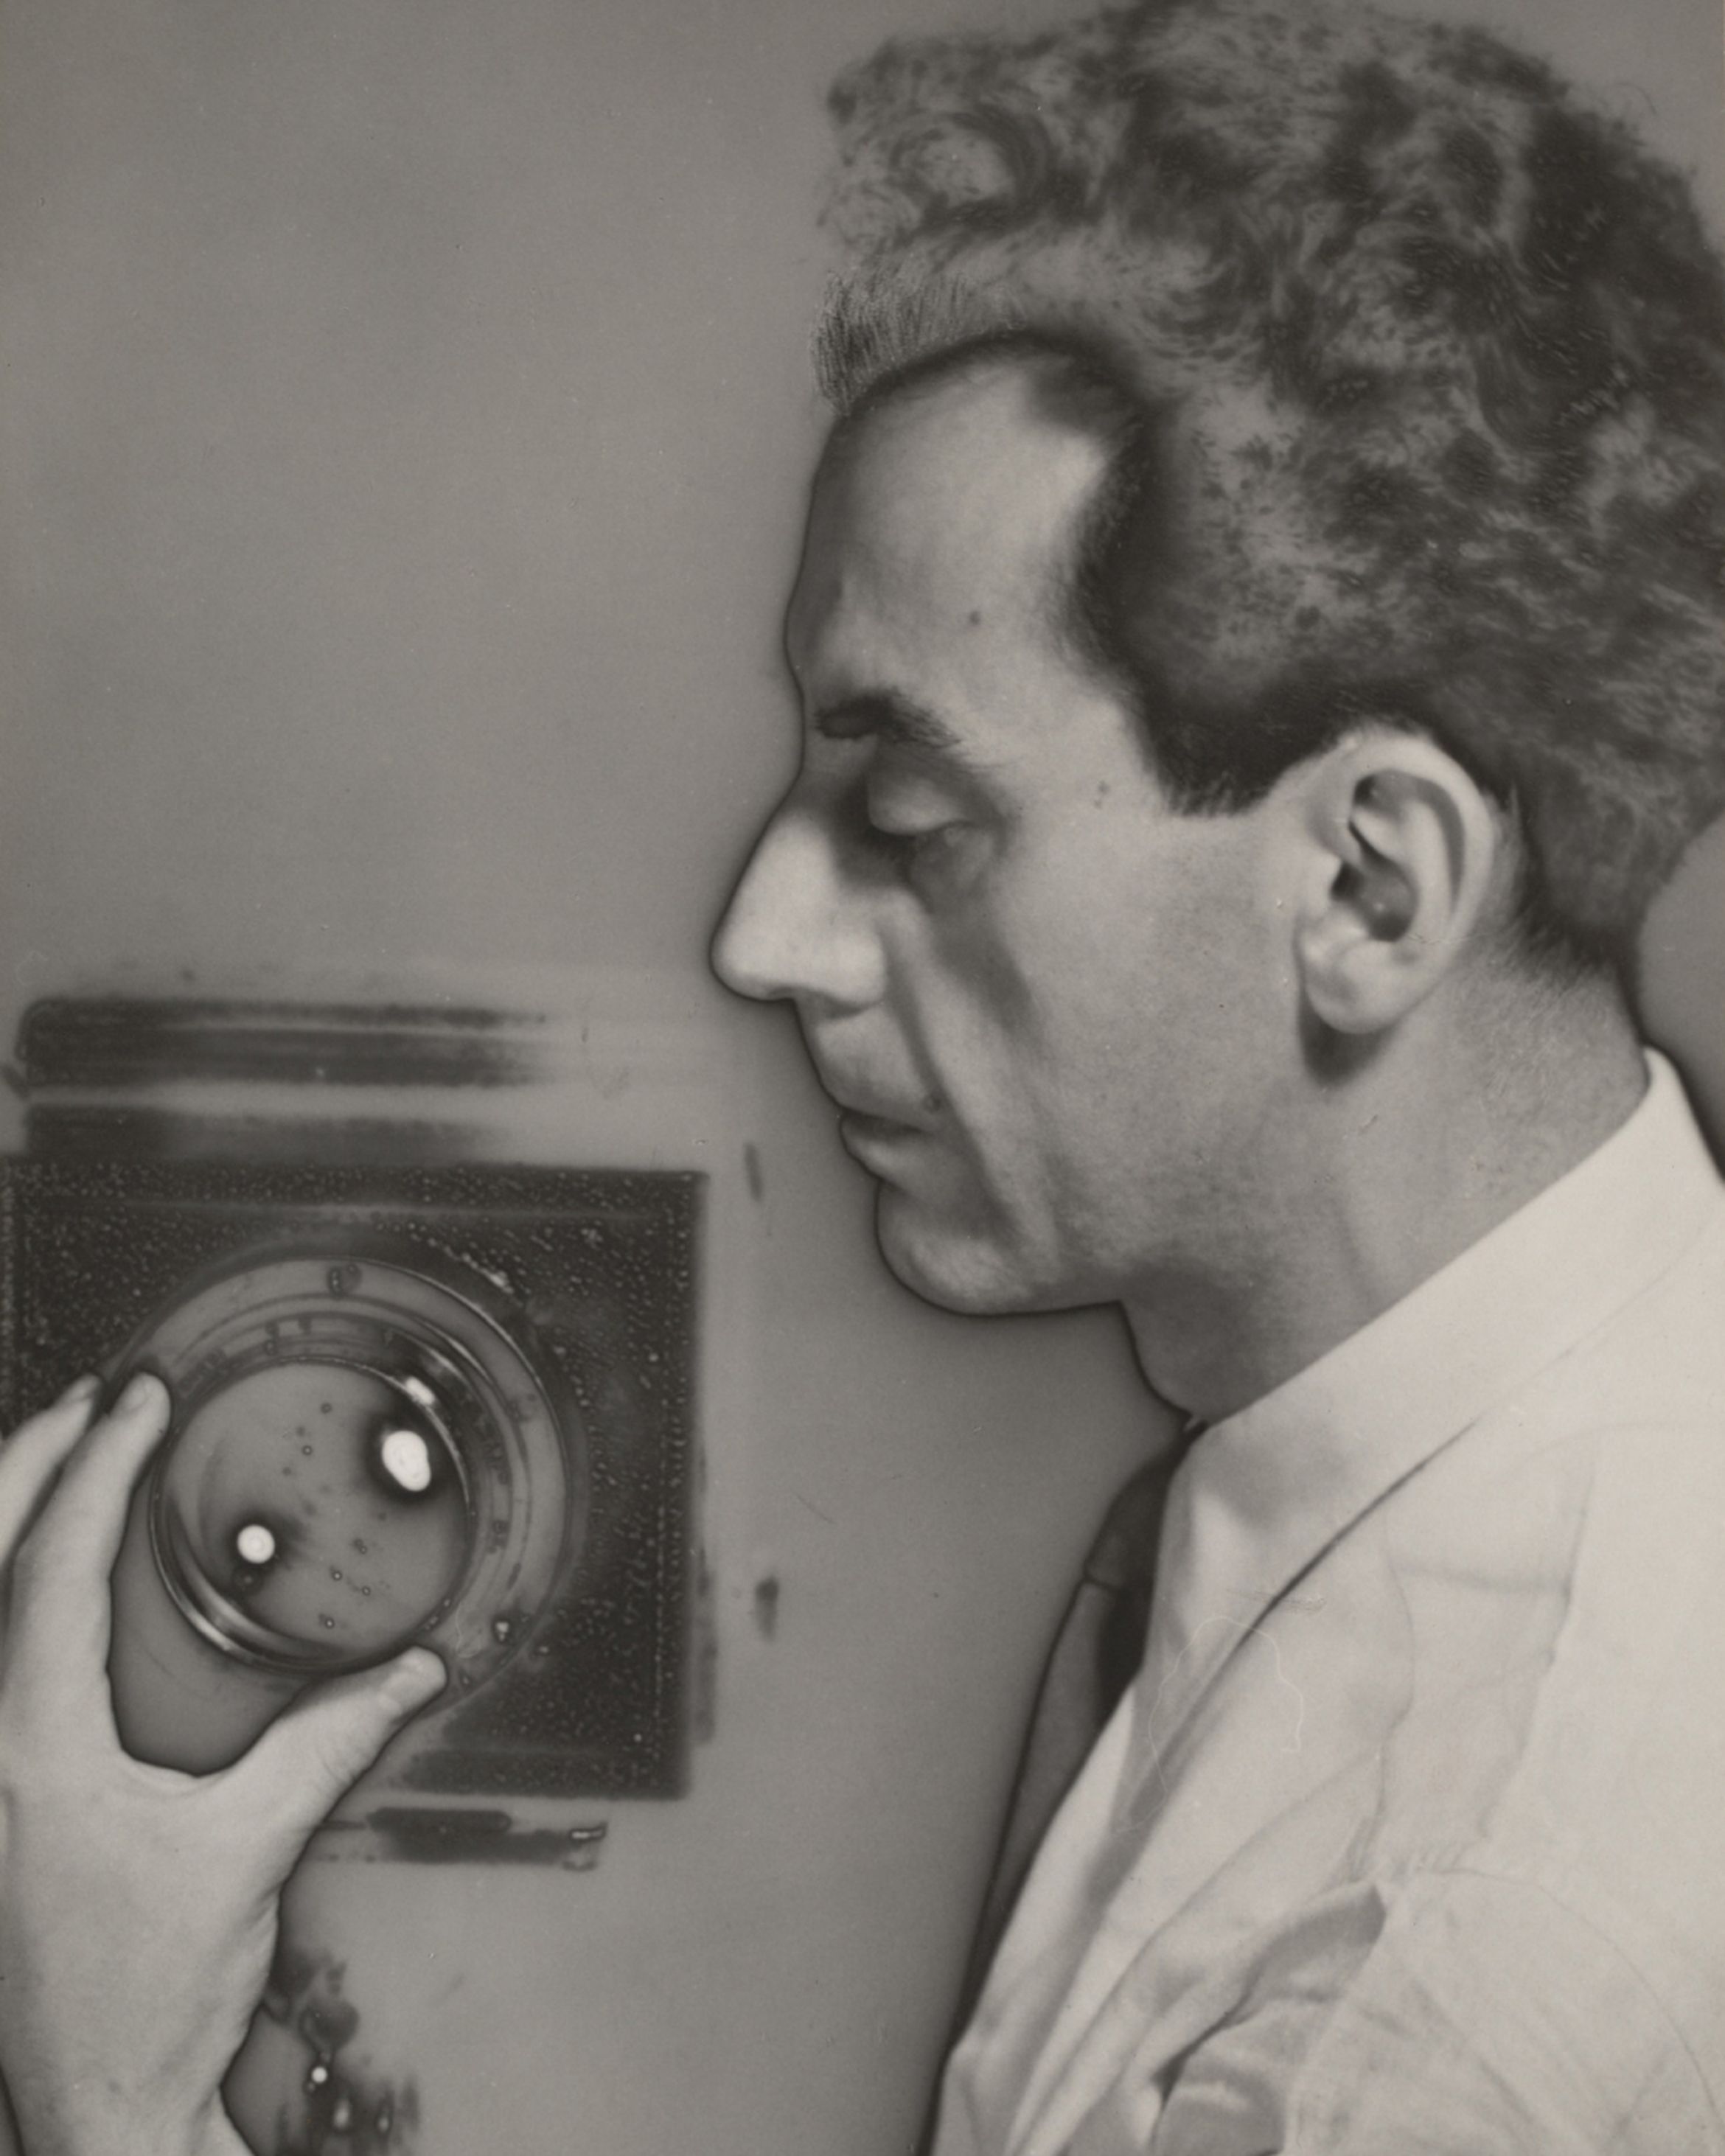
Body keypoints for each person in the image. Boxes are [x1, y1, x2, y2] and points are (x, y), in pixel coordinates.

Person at [3, 0, 1724, 2149]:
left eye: (913, 833)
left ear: (1370, 888)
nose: (757, 937)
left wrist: (100, 2081)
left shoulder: (1448, 1986)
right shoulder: (1428, 1466)